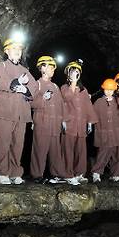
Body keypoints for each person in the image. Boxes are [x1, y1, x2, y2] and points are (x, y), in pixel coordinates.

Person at [0, 37, 37, 185]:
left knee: (17, 145)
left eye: (19, 50)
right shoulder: (1, 66)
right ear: (7, 51)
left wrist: (26, 89)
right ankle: (2, 172)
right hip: (4, 112)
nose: (17, 52)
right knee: (3, 143)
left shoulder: (25, 70)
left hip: (21, 114)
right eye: (14, 49)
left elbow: (35, 88)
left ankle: (15, 172)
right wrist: (15, 83)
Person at [30, 56, 75, 184]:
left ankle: (57, 174)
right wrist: (43, 98)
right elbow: (31, 102)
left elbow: (61, 104)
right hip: (42, 122)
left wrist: (64, 120)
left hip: (55, 124)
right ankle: (37, 175)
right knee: (40, 149)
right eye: (50, 67)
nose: (53, 70)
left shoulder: (55, 86)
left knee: (55, 151)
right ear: (42, 68)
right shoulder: (36, 83)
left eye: (53, 68)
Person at [60, 60, 98, 183]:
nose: (75, 73)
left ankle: (79, 174)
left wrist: (90, 121)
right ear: (68, 74)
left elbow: (88, 106)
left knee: (81, 150)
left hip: (81, 125)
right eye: (73, 71)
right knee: (68, 149)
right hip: (69, 124)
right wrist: (63, 121)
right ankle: (67, 174)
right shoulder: (64, 87)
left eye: (77, 71)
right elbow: (67, 98)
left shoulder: (83, 90)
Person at [90, 79, 119, 183]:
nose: (109, 91)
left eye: (111, 89)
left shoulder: (117, 102)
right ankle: (96, 173)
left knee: (116, 154)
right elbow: (92, 115)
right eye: (107, 89)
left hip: (116, 132)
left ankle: (116, 174)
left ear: (114, 90)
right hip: (104, 132)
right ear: (103, 89)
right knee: (103, 153)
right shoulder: (99, 102)